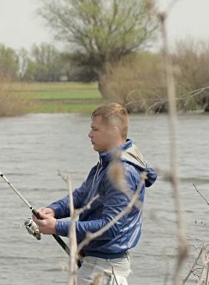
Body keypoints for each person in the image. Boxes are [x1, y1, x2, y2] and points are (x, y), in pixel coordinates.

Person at [32, 102, 157, 285]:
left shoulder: (121, 171)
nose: (89, 135)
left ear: (114, 131)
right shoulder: (103, 165)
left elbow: (110, 227)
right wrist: (53, 210)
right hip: (95, 263)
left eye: (95, 129)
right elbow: (82, 196)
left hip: (104, 268)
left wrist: (57, 227)